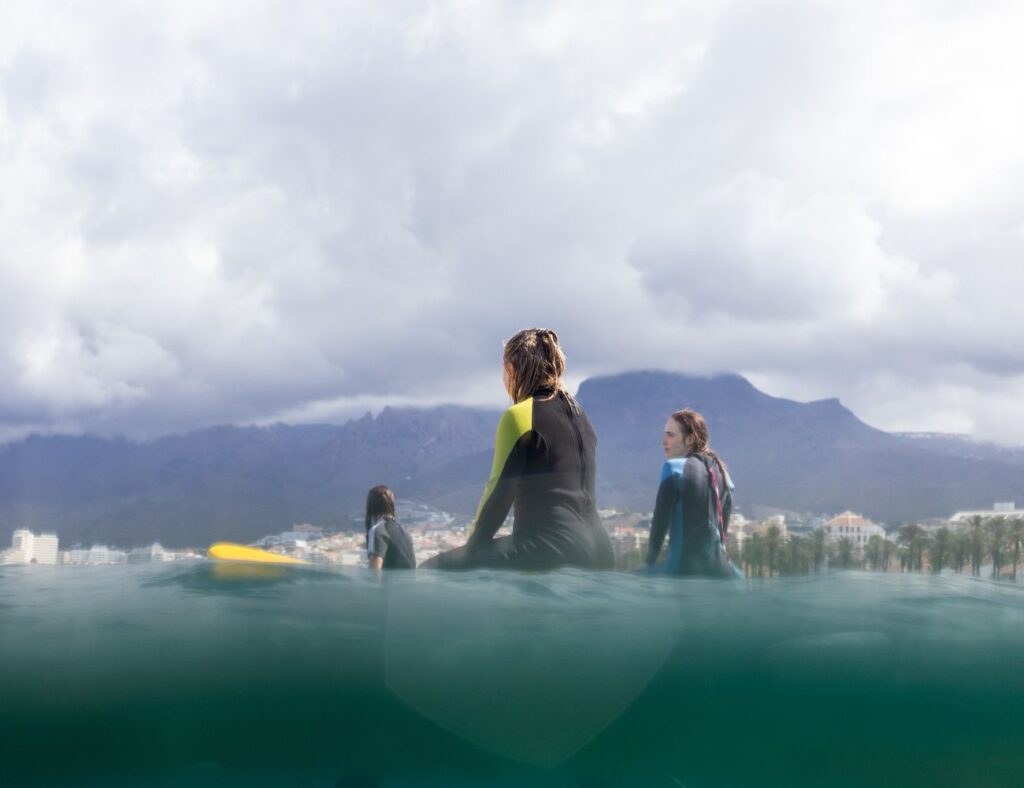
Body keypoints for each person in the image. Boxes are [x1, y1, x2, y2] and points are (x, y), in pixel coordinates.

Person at [428, 328, 613, 571]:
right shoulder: (580, 417)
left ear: (511, 370)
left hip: (549, 548)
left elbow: (497, 495)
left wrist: (473, 549)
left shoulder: (519, 416)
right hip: (601, 552)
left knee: (432, 570)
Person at [646, 409, 741, 578]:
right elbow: (722, 538)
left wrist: (649, 563)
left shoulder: (673, 469)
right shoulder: (726, 478)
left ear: (689, 439)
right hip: (724, 575)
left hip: (682, 571)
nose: (663, 442)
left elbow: (659, 527)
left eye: (670, 435)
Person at [365, 485, 416, 570]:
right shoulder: (406, 533)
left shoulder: (378, 530)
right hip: (409, 582)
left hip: (389, 583)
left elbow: (374, 571)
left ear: (371, 507)